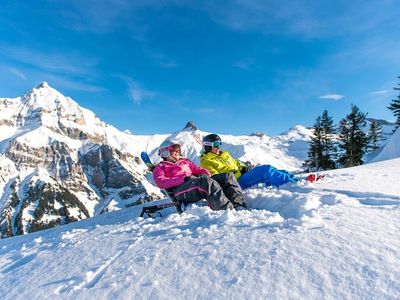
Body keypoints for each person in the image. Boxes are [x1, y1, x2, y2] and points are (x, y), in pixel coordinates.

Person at [152, 140, 245, 210]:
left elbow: (199, 169)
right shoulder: (161, 167)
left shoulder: (185, 162)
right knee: (206, 183)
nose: (177, 154)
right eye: (174, 152)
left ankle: (239, 206)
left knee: (227, 177)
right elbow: (161, 182)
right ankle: (227, 210)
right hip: (180, 190)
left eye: (178, 151)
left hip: (194, 183)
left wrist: (205, 174)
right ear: (165, 152)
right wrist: (183, 179)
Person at [200, 134, 297, 190]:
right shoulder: (206, 162)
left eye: (220, 144)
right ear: (208, 145)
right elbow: (217, 180)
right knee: (266, 170)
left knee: (274, 170)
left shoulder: (224, 154)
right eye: (216, 144)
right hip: (235, 184)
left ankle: (295, 180)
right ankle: (293, 185)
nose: (218, 147)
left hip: (242, 176)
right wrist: (232, 175)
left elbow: (237, 163)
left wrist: (243, 167)